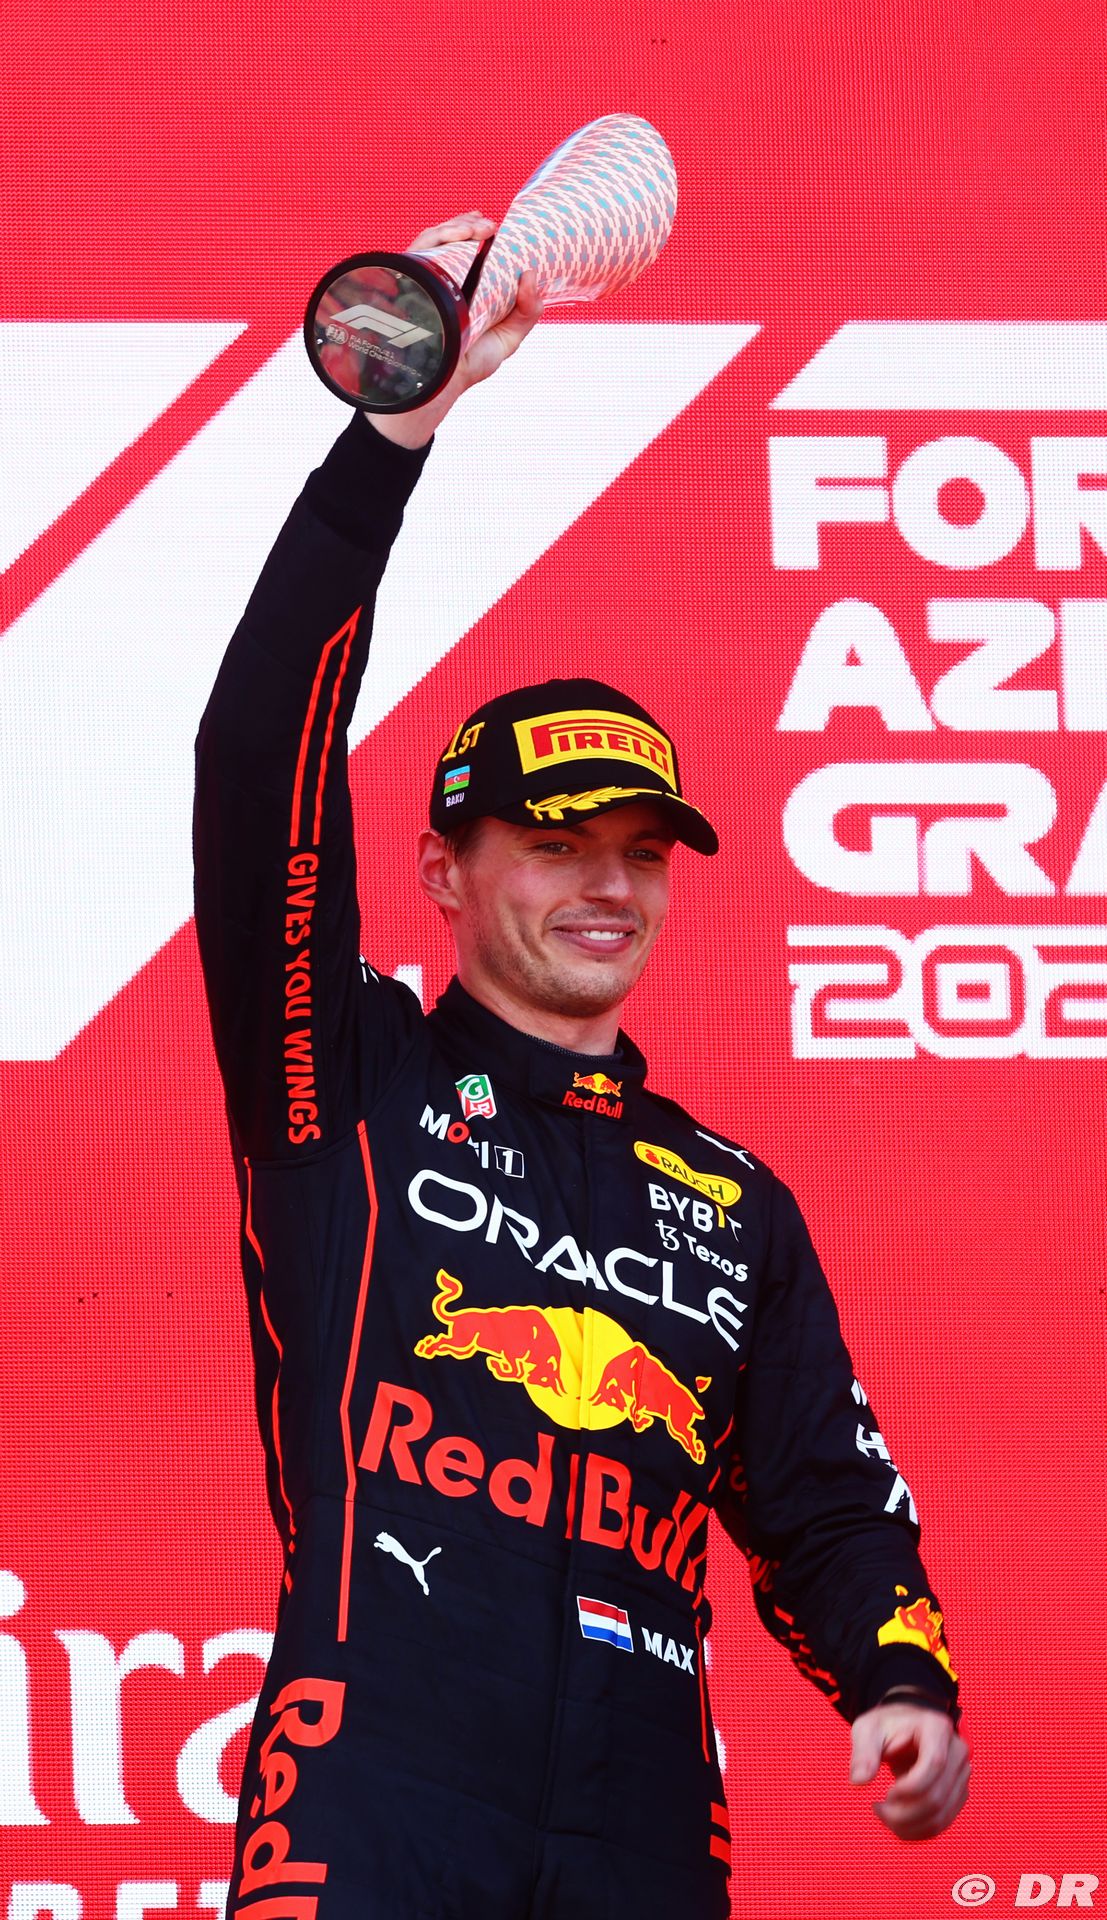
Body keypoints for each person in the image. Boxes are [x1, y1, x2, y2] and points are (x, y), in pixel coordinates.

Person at [194, 214, 969, 1920]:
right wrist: (392, 439)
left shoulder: (734, 1204)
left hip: (646, 1828)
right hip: (374, 1791)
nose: (606, 887)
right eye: (552, 844)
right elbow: (258, 758)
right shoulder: (349, 1077)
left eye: (640, 851)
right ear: (442, 869)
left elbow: (828, 1504)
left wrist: (899, 1677)